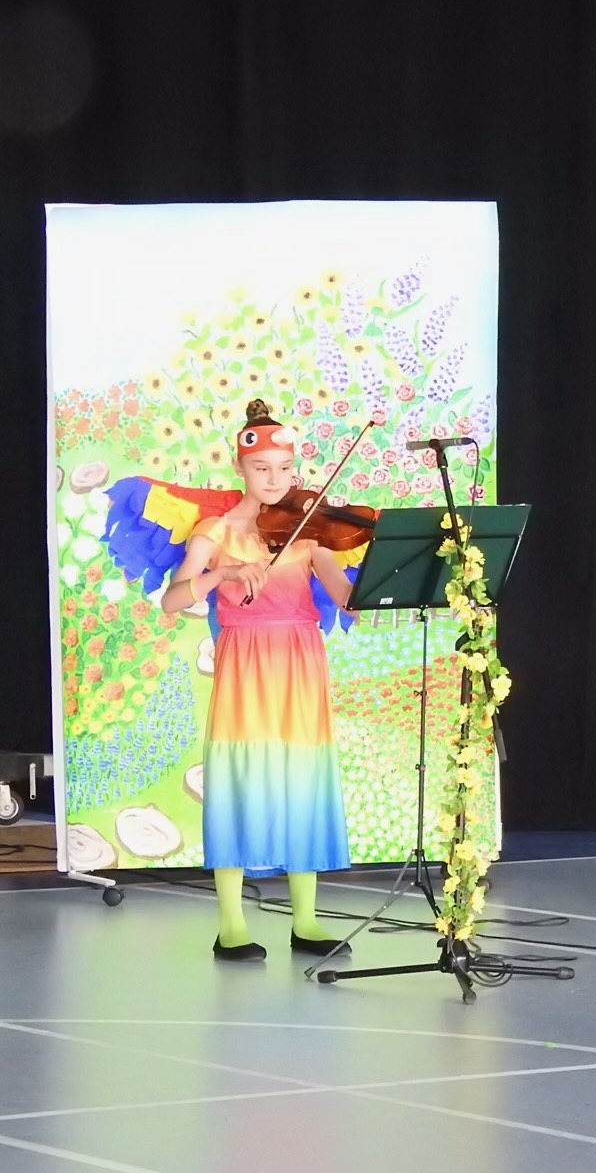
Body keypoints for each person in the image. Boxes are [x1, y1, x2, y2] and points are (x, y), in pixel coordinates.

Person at [158, 400, 356, 959]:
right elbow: (172, 600)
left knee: (302, 776)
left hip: (300, 658)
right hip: (245, 660)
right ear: (239, 468)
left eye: (285, 469)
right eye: (262, 468)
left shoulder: (308, 532)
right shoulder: (215, 531)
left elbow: (342, 593)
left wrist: (380, 595)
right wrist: (221, 571)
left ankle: (306, 922)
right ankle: (231, 926)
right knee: (239, 777)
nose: (275, 480)